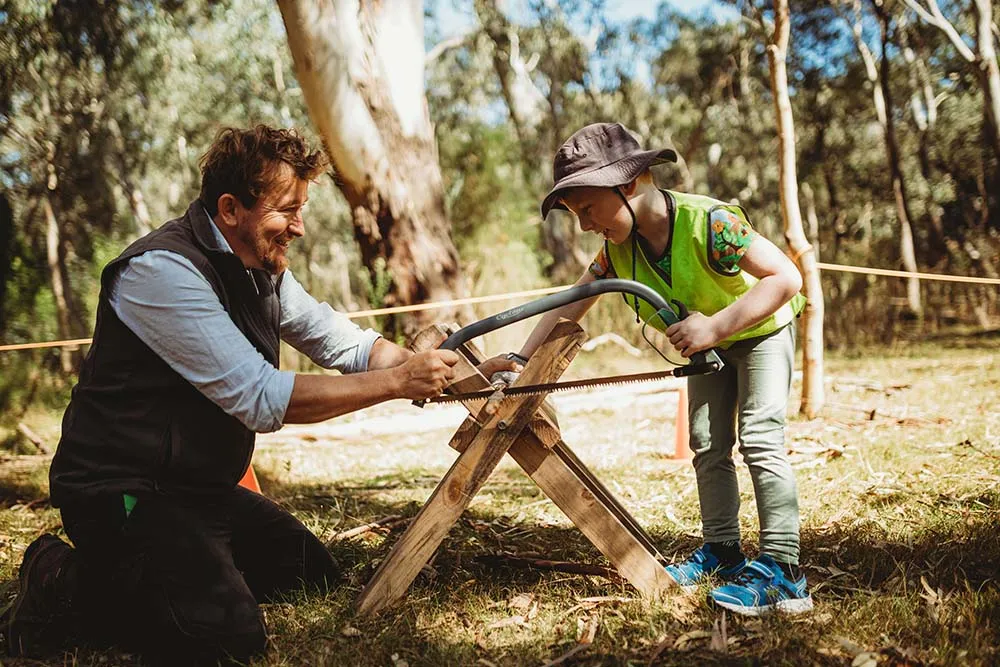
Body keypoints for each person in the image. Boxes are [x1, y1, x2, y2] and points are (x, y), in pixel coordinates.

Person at [1, 125, 515, 662]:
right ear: (229, 209)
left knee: (308, 577)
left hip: (197, 490)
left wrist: (449, 374)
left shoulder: (259, 269)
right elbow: (259, 396)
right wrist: (396, 384)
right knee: (226, 637)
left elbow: (347, 344)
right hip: (121, 492)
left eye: (302, 209)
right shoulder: (160, 272)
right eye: (286, 210)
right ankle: (58, 577)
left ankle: (180, 569)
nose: (298, 226)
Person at [514, 122, 811, 616]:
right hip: (707, 347)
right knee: (707, 444)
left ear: (629, 183)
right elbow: (570, 305)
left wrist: (715, 327)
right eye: (576, 215)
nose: (585, 225)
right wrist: (522, 359)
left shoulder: (711, 222)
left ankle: (783, 567)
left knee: (759, 436)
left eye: (587, 209)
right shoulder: (616, 250)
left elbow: (786, 276)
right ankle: (723, 551)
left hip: (759, 334)